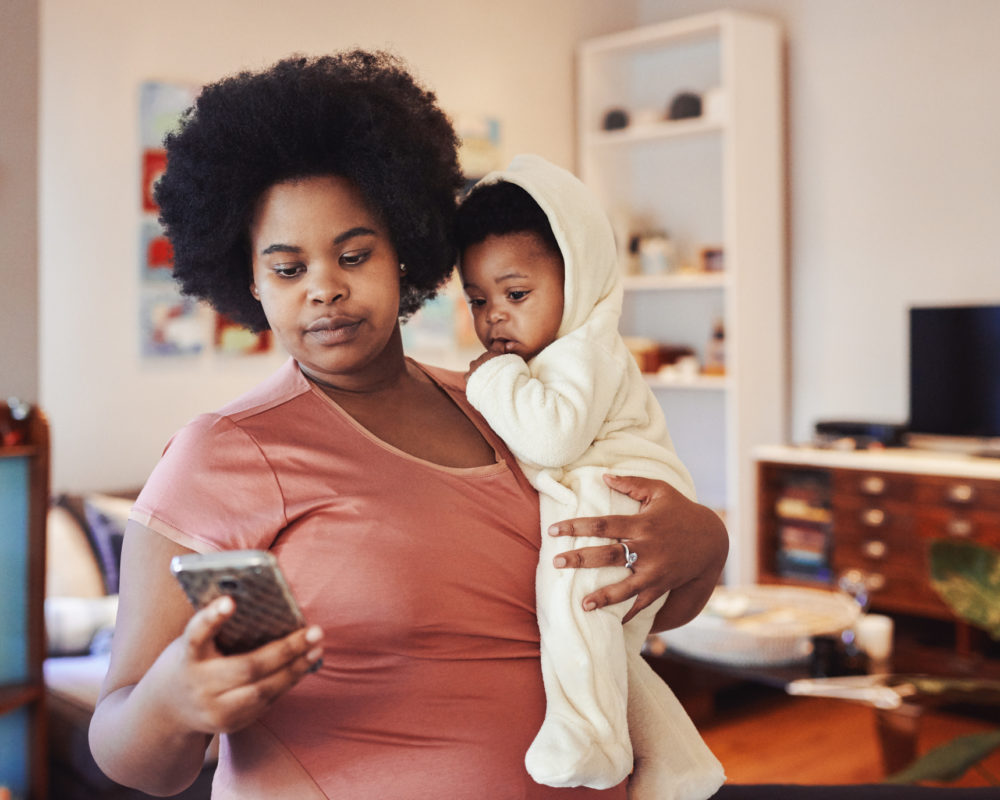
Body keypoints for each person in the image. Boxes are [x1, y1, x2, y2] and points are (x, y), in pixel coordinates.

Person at [88, 52, 728, 800]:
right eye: (288, 269)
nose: (326, 288)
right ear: (249, 280)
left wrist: (705, 546)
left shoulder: (510, 406)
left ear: (406, 253)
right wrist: (175, 700)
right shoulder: (221, 454)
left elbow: (631, 608)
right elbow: (131, 757)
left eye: (354, 254)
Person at [456, 154, 725, 799]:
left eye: (517, 295)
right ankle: (679, 765)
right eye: (477, 299)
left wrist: (489, 378)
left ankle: (590, 739)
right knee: (609, 655)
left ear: (577, 281)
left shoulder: (585, 347)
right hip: (605, 489)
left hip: (623, 497)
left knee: (574, 605)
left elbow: (552, 436)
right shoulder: (557, 352)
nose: (495, 316)